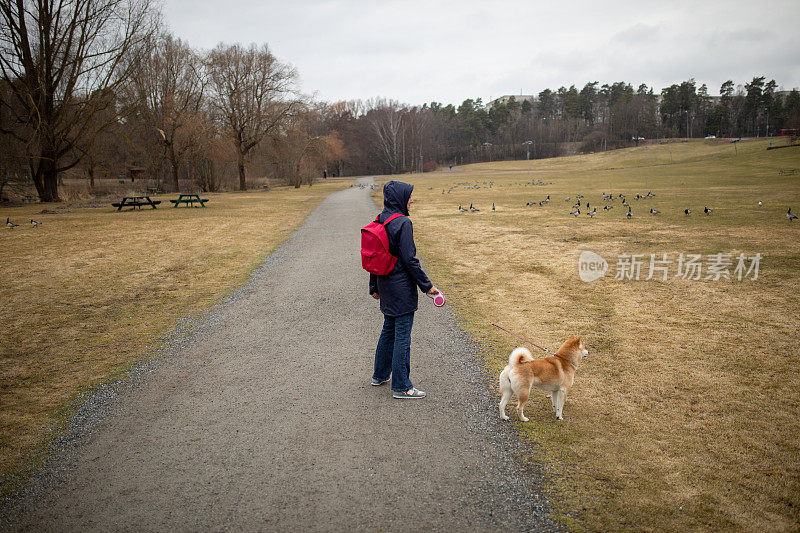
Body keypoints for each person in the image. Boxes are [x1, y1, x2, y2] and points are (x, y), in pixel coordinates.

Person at [369, 180, 438, 399]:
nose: (411, 200)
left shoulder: (380, 219)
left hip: (385, 286)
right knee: (402, 336)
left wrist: (374, 286)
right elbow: (410, 260)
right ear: (400, 198)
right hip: (400, 289)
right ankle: (401, 386)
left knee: (388, 329)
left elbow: (374, 257)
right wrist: (427, 286)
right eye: (408, 196)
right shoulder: (403, 223)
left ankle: (379, 375)